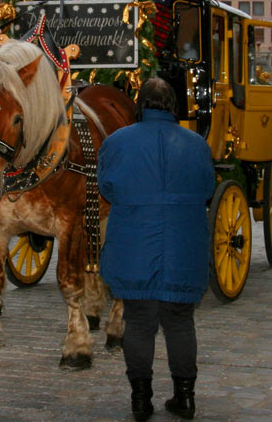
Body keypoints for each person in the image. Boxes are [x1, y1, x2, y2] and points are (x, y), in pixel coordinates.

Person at [99, 78, 214, 422]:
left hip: (135, 245)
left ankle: (140, 399)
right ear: (173, 106)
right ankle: (185, 397)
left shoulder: (117, 142)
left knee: (139, 323)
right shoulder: (197, 144)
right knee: (180, 322)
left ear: (140, 104)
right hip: (183, 246)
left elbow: (107, 187)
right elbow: (207, 187)